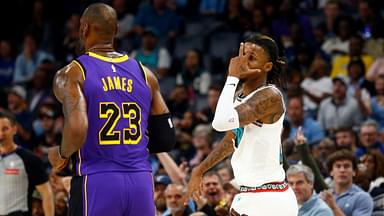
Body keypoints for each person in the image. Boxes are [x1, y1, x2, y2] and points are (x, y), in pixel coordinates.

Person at [47, 3, 176, 216]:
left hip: (97, 179)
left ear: (84, 28)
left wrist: (62, 154)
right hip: (141, 181)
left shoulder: (73, 73)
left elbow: (78, 128)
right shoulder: (146, 74)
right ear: (116, 31)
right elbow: (166, 138)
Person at [187, 34, 298, 215]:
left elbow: (220, 123)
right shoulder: (240, 96)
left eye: (251, 58)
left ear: (267, 67)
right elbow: (232, 138)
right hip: (248, 193)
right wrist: (200, 170)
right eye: (242, 55)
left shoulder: (270, 97)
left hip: (270, 198)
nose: (242, 62)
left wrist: (232, 77)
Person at [0, 111, 54, 216]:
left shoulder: (29, 159)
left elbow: (47, 194)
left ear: (14, 129)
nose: (1, 134)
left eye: (5, 129)